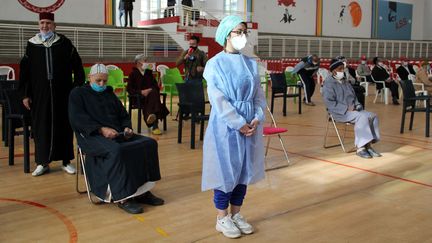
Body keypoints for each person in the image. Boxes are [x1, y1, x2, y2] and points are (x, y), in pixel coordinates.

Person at [202, 15, 267, 239]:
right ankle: (222, 217)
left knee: (243, 171)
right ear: (226, 35)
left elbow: (259, 96)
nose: (242, 36)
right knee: (225, 171)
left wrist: (257, 116)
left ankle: (237, 214)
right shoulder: (215, 64)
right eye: (238, 32)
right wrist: (239, 123)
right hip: (226, 127)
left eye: (244, 32)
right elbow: (218, 100)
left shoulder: (250, 64)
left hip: (251, 125)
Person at [68, 64, 164, 214]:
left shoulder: (109, 93)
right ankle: (123, 197)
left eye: (105, 81)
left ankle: (142, 192)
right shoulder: (78, 94)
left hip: (116, 133)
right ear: (89, 78)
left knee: (149, 144)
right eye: (98, 81)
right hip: (91, 135)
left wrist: (126, 128)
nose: (102, 84)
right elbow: (77, 120)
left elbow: (123, 115)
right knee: (116, 150)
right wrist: (101, 129)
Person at [19, 12, 84, 176]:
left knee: (64, 126)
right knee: (41, 127)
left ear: (54, 25)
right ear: (39, 25)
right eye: (42, 23)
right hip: (39, 94)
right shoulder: (32, 45)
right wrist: (25, 95)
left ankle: (65, 161)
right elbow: (24, 73)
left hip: (63, 93)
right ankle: (42, 162)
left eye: (48, 23)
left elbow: (78, 66)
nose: (45, 26)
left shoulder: (64, 43)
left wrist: (76, 87)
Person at [322, 58, 381, 159]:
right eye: (340, 69)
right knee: (361, 117)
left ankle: (368, 144)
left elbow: (354, 97)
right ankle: (361, 147)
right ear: (333, 70)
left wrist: (357, 106)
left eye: (343, 69)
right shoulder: (328, 83)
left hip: (353, 110)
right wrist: (346, 108)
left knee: (372, 115)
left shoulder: (345, 81)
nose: (342, 71)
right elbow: (329, 102)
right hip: (339, 112)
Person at [127, 54, 169, 135]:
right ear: (138, 63)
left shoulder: (149, 73)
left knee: (153, 93)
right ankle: (154, 126)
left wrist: (149, 90)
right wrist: (141, 92)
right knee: (154, 98)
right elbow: (129, 89)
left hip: (151, 98)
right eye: (145, 61)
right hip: (139, 98)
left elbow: (156, 86)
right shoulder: (133, 74)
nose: (146, 62)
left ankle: (151, 118)